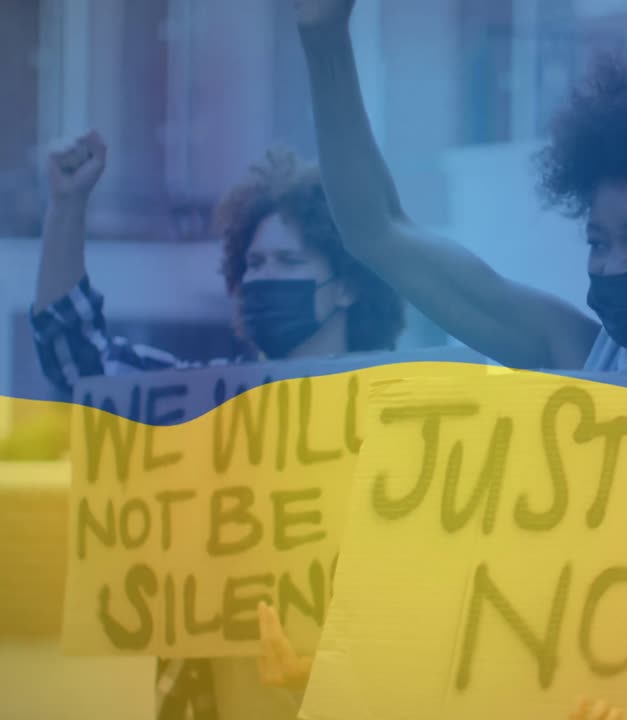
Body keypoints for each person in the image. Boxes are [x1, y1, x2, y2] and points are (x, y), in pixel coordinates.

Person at [30, 131, 406, 720]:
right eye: (253, 263)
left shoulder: (401, 424)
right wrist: (66, 206)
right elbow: (78, 358)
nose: (263, 278)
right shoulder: (202, 411)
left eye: (288, 262)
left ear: (350, 285)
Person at [292, 0, 627, 376]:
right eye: (597, 242)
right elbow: (377, 232)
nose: (611, 266)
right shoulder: (582, 357)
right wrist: (324, 42)